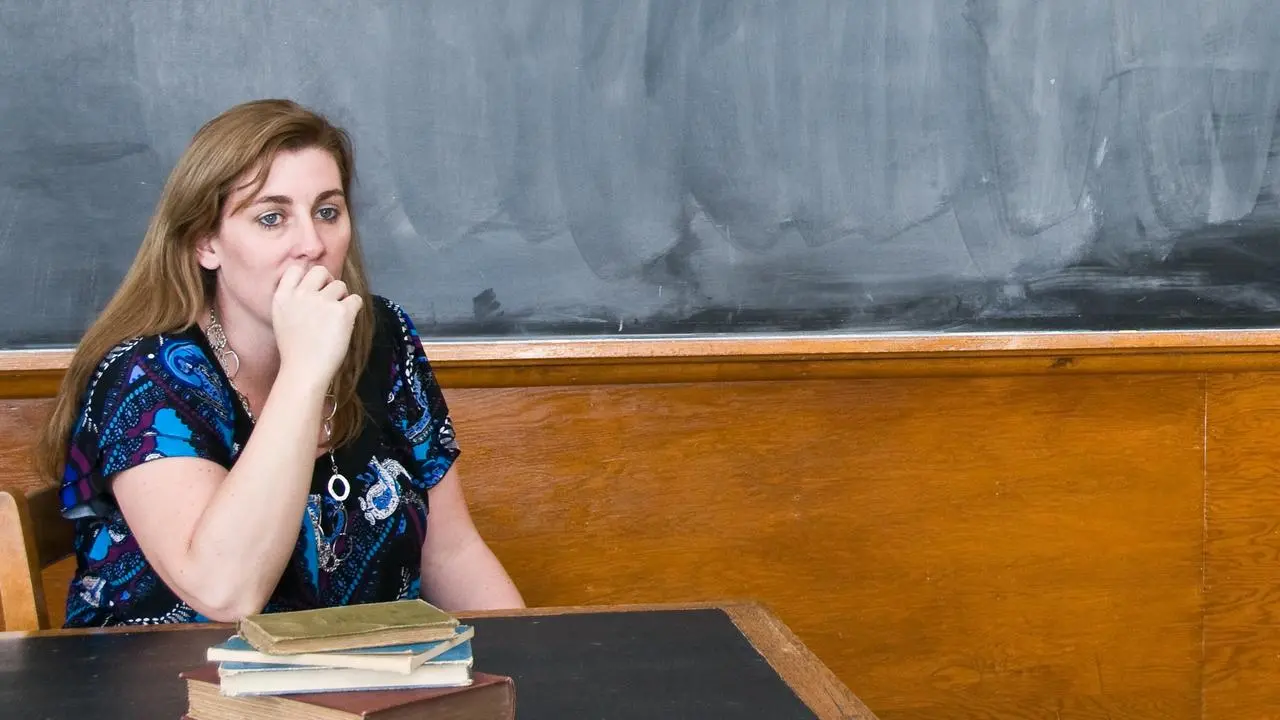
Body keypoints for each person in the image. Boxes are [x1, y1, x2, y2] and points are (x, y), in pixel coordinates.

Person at [34, 99, 525, 627]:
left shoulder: (383, 337)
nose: (312, 244)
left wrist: (533, 665)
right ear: (206, 244)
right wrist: (305, 371)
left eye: (327, 212)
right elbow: (224, 594)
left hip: (356, 690)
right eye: (272, 218)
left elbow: (450, 552)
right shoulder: (147, 376)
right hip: (176, 692)